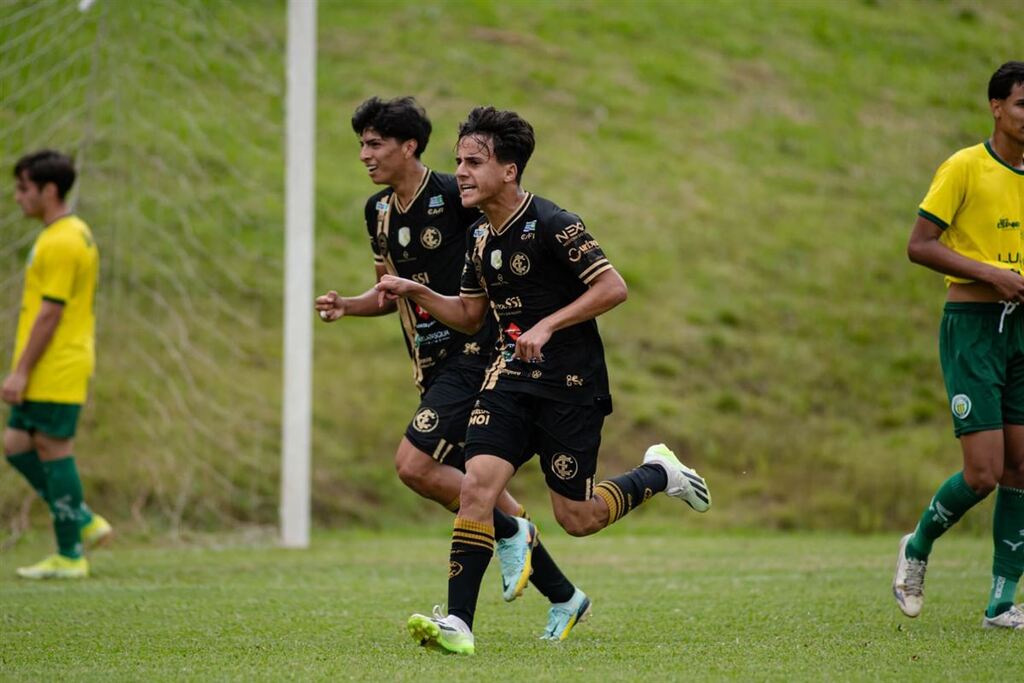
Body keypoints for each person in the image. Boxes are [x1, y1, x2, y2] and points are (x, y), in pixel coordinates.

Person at [376, 106, 712, 655]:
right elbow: (467, 315)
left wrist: (550, 324)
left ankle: (658, 473)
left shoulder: (556, 223)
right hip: (507, 377)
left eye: (473, 161)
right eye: (458, 160)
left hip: (570, 385)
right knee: (477, 486)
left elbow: (614, 288)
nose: (459, 171)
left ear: (509, 170)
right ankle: (459, 623)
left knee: (577, 518)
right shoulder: (480, 238)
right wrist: (415, 290)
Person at [314, 97, 585, 642]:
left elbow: (492, 255)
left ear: (407, 146)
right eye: (361, 145)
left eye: (375, 144)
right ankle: (563, 593)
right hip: (431, 365)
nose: (364, 155)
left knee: (414, 465)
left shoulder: (455, 195)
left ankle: (471, 605)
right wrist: (350, 304)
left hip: (477, 352)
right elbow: (392, 292)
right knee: (483, 494)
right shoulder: (379, 212)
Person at [893, 61, 1024, 630]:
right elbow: (919, 245)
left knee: (1022, 465)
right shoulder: (965, 167)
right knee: (983, 473)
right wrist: (991, 274)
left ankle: (1001, 602)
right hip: (973, 329)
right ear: (997, 108)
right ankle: (917, 545)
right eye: (1022, 105)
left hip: (1021, 329)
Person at [4, 149, 111, 579]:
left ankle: (70, 554)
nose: (17, 197)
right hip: (50, 362)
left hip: (58, 363)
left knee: (52, 448)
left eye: (23, 188)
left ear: (49, 190)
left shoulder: (65, 240)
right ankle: (83, 520)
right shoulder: (61, 234)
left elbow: (51, 311)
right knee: (16, 444)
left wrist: (21, 369)